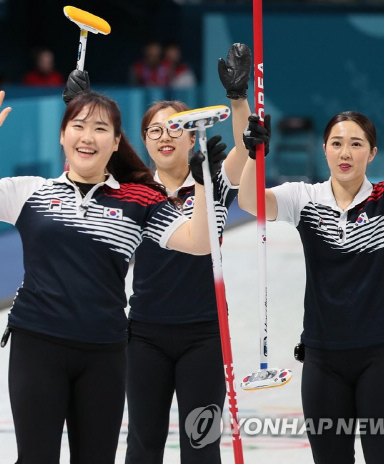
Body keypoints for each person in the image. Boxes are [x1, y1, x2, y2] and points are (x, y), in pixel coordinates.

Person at [0, 83, 227, 463]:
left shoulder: (140, 200)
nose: (87, 136)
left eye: (100, 128)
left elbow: (199, 242)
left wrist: (204, 182)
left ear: (115, 143)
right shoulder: (30, 192)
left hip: (104, 353)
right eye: (78, 125)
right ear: (62, 136)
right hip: (37, 345)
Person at [239, 111, 384, 463]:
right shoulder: (304, 198)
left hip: (382, 357)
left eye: (356, 144)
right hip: (324, 360)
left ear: (372, 153)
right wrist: (252, 155)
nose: (346, 153)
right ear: (324, 150)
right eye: (337, 144)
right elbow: (249, 202)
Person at [125, 43, 251, 463]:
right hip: (145, 334)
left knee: (201, 445)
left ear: (192, 133)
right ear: (144, 141)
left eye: (175, 127)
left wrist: (237, 99)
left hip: (205, 334)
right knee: (143, 444)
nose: (165, 137)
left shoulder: (215, 181)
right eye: (154, 131)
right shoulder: (133, 192)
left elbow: (246, 148)